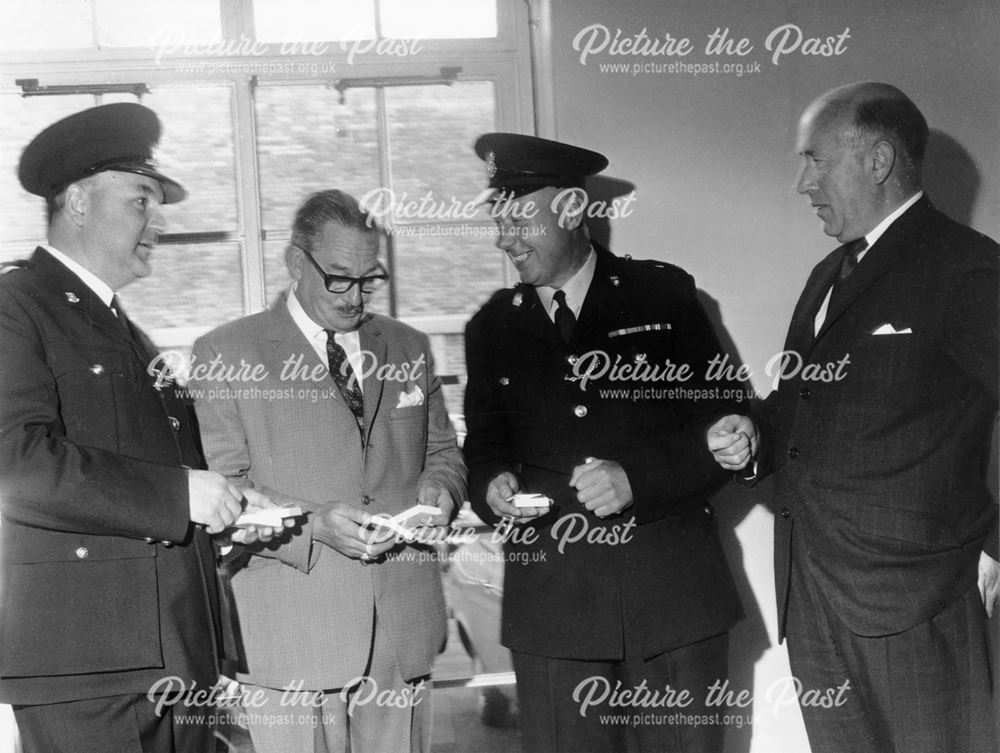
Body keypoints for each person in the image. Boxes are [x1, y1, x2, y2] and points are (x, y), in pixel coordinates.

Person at [708, 82, 999, 753]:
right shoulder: (828, 274)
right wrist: (752, 441)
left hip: (916, 601)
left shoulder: (967, 267)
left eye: (816, 159)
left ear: (876, 159)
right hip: (813, 599)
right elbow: (796, 408)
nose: (802, 182)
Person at [0, 103, 272, 752]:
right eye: (141, 198)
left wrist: (226, 510)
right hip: (90, 669)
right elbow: (14, 461)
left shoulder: (122, 327)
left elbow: (145, 472)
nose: (157, 222)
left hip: (167, 652)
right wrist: (179, 496)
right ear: (77, 201)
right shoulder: (18, 307)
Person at [462, 133, 745, 753]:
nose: (504, 240)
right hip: (555, 610)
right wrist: (492, 486)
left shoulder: (664, 297)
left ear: (571, 210)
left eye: (519, 221)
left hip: (672, 599)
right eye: (497, 222)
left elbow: (730, 429)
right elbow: (483, 446)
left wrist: (639, 478)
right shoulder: (491, 327)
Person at [189, 189, 466, 753]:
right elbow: (225, 488)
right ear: (296, 263)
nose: (355, 296)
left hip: (400, 629)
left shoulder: (407, 344)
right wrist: (314, 524)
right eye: (339, 277)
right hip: (291, 632)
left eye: (370, 279)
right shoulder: (226, 352)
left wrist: (441, 491)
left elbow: (443, 450)